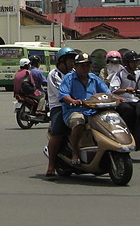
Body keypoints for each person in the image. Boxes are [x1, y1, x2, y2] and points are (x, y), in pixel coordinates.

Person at [59, 52, 112, 165]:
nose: (85, 68)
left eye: (87, 65)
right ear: (76, 66)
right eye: (82, 66)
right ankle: (75, 152)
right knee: (79, 121)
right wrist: (73, 101)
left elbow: (107, 92)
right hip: (74, 111)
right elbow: (63, 94)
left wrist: (115, 98)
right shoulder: (69, 78)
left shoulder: (94, 78)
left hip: (93, 111)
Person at [45, 46, 78, 176]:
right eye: (70, 60)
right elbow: (61, 93)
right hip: (59, 107)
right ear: (61, 61)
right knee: (57, 131)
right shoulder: (54, 75)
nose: (72, 63)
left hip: (77, 105)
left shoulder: (75, 73)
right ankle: (51, 165)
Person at [109, 50, 140, 145]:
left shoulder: (137, 74)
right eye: (133, 62)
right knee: (128, 111)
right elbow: (113, 90)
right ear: (127, 63)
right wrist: (126, 90)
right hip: (123, 101)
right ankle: (126, 134)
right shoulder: (120, 74)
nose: (135, 64)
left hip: (134, 100)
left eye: (136, 62)